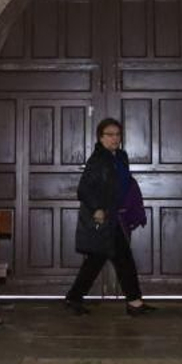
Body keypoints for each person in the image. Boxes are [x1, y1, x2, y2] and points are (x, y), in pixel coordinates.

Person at [64, 118, 155, 316]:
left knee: (101, 260)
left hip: (116, 216)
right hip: (103, 218)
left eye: (118, 134)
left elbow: (122, 183)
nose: (115, 138)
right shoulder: (97, 160)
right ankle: (134, 303)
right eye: (110, 135)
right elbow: (84, 189)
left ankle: (75, 298)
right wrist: (97, 209)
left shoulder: (121, 156)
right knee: (119, 259)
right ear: (101, 137)